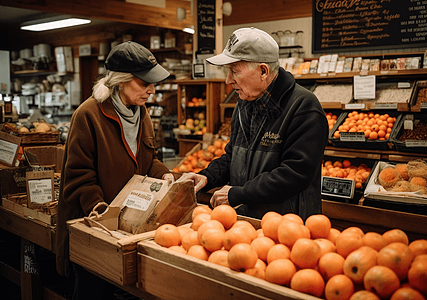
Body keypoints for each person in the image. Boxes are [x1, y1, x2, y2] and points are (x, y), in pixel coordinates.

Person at [55, 41, 173, 299]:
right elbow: (79, 178)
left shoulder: (141, 113)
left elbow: (146, 160)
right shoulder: (88, 115)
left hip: (129, 227)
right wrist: (102, 213)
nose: (152, 90)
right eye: (145, 83)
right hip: (94, 228)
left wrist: (164, 174)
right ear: (121, 81)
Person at [179, 27, 329, 221]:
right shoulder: (244, 104)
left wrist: (237, 194)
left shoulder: (303, 107)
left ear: (263, 71)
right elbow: (233, 156)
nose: (228, 80)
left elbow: (295, 174)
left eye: (234, 71)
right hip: (249, 222)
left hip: (287, 226)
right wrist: (207, 177)